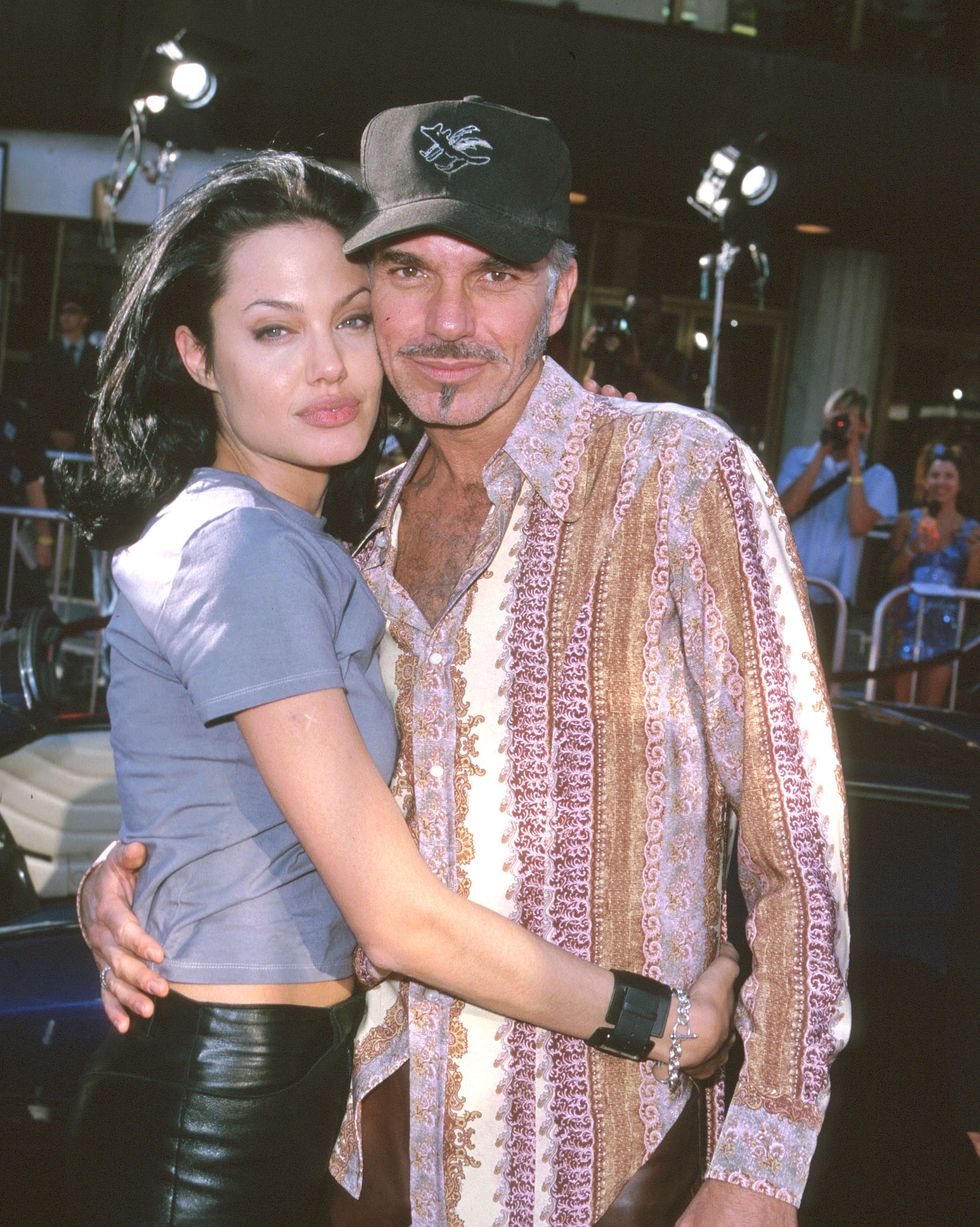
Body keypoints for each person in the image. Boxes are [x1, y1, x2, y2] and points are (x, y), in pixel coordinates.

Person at [80, 100, 848, 1226]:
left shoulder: (680, 481)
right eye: (403, 273)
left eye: (492, 272)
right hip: (364, 1157)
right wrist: (135, 865)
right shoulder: (350, 541)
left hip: (610, 1166)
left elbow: (799, 858)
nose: (446, 319)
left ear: (560, 291)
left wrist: (760, 1168)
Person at [777, 387, 898, 668]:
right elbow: (787, 508)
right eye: (837, 416)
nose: (842, 424)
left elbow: (859, 525)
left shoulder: (878, 476)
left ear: (865, 426)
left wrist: (855, 466)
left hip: (834, 597)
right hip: (789, 585)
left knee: (822, 676)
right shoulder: (800, 459)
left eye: (850, 418)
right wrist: (821, 454)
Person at [885, 444, 980, 706]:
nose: (941, 482)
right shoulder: (909, 520)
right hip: (908, 625)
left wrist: (975, 554)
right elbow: (887, 573)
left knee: (931, 708)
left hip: (945, 631)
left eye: (949, 476)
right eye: (935, 476)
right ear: (925, 481)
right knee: (901, 708)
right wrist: (912, 549)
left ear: (959, 484)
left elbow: (972, 585)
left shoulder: (971, 529)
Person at [0, 391, 54, 614]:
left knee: (39, 613)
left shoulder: (13, 414)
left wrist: (44, 539)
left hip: (7, 540)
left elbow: (32, 484)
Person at [25, 293, 99, 451]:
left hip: (81, 444)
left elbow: (94, 401)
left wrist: (77, 434)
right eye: (63, 312)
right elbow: (34, 396)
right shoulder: (44, 354)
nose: (66, 316)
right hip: (46, 441)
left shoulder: (96, 359)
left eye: (72, 311)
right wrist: (51, 432)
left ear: (84, 318)